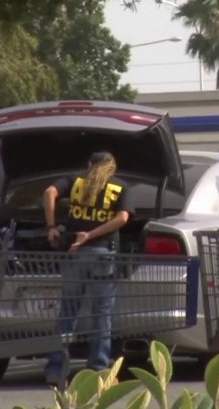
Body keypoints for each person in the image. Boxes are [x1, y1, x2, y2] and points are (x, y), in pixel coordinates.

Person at [41, 151, 134, 386]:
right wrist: (91, 235)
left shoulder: (74, 181)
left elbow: (49, 192)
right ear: (111, 168)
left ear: (89, 164)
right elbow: (123, 218)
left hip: (74, 254)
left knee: (68, 313)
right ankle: (97, 371)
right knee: (101, 314)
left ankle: (55, 369)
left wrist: (51, 226)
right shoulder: (120, 186)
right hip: (103, 255)